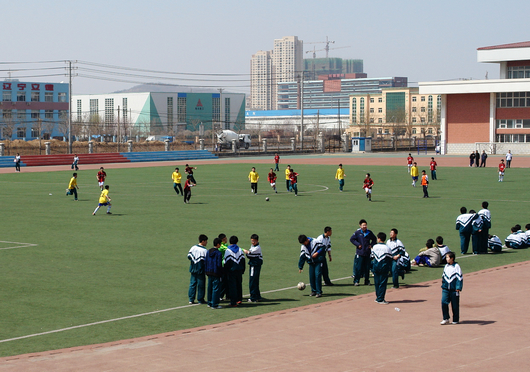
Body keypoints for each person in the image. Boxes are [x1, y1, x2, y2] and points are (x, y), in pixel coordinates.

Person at [350, 219, 377, 286]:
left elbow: (374, 239)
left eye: (365, 225)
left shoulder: (369, 232)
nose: (364, 226)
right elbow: (352, 239)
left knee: (367, 268)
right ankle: (356, 281)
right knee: (358, 268)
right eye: (363, 225)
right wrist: (358, 244)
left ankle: (367, 281)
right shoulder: (357, 233)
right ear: (360, 226)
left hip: (367, 253)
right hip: (360, 253)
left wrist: (371, 245)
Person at [371, 232, 395, 304]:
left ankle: (378, 297)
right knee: (383, 283)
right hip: (384, 266)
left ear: (379, 238)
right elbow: (390, 258)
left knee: (377, 282)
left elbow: (371, 257)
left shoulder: (374, 247)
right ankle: (381, 299)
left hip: (376, 266)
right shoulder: (387, 248)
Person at [440, 252, 463, 325]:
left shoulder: (456, 266)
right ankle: (446, 318)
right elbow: (443, 277)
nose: (446, 259)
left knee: (455, 305)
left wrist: (458, 287)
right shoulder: (446, 266)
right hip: (446, 289)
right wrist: (443, 285)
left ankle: (455, 319)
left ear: (452, 258)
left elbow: (459, 278)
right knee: (444, 302)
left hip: (454, 290)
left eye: (447, 257)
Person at [224, 235, 245, 307]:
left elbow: (226, 262)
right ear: (237, 242)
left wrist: (226, 271)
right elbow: (243, 260)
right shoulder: (239, 250)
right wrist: (243, 270)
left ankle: (233, 302)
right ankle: (239, 299)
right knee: (239, 285)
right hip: (239, 270)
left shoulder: (228, 250)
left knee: (232, 286)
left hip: (231, 271)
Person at [187, 234, 208, 305]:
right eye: (206, 241)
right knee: (201, 285)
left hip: (193, 268)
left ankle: (191, 299)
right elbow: (206, 261)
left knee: (192, 284)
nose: (206, 243)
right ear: (203, 241)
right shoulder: (204, 250)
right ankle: (200, 299)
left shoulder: (193, 247)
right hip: (200, 269)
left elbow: (189, 256)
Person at [243, 233, 263, 302]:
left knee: (253, 281)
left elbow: (250, 254)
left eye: (254, 241)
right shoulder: (253, 246)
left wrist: (246, 252)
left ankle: (253, 297)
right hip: (254, 265)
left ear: (257, 241)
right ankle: (257, 296)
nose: (253, 242)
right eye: (252, 241)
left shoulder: (257, 248)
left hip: (255, 266)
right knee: (255, 281)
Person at [205, 238, 224, 309]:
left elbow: (206, 261)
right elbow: (219, 264)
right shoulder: (218, 253)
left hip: (209, 272)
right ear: (218, 244)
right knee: (215, 288)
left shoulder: (208, 251)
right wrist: (222, 271)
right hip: (216, 272)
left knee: (210, 287)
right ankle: (214, 304)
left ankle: (209, 302)